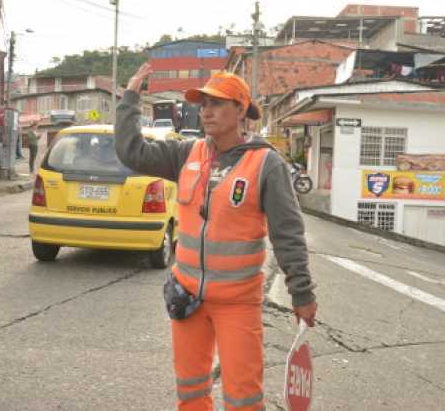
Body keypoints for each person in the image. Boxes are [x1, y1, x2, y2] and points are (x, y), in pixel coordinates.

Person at [115, 63, 317, 411]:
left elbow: (288, 234)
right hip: (188, 297)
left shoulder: (266, 163)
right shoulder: (187, 153)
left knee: (243, 399)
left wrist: (301, 291)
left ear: (240, 110)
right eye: (203, 104)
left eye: (217, 103)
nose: (206, 111)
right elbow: (132, 152)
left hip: (238, 303)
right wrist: (130, 98)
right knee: (191, 392)